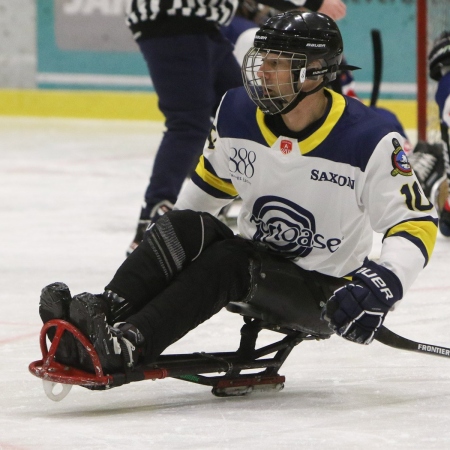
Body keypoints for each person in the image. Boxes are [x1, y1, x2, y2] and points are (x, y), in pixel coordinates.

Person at [40, 11, 438, 375]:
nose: (261, 71)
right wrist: (164, 248)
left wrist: (383, 283)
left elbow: (415, 222)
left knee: (230, 259)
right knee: (181, 225)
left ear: (315, 74)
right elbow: (204, 194)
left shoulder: (368, 139)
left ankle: (128, 345)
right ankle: (99, 317)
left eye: (277, 63)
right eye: (262, 59)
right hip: (259, 259)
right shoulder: (236, 112)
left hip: (325, 292)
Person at [126, 0, 347, 256]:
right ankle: (152, 222)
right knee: (189, 123)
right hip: (176, 21)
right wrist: (311, 3)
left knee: (249, 110)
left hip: (201, 24)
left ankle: (277, 207)